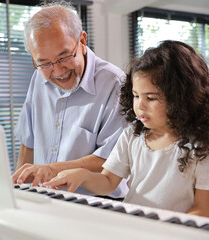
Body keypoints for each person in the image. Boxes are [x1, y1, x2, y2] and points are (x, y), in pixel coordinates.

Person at [43, 40, 209, 216]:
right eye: (136, 96)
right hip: (133, 225)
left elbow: (202, 209)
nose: (140, 106)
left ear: (181, 98)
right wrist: (82, 175)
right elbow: (108, 181)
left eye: (151, 98)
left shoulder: (201, 147)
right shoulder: (133, 135)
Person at [12, 1, 127, 198]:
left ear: (82, 41)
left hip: (98, 203)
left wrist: (51, 169)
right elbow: (28, 144)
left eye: (64, 57)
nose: (57, 71)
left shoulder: (115, 84)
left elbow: (112, 160)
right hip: (47, 199)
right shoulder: (39, 77)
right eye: (44, 62)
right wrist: (18, 191)